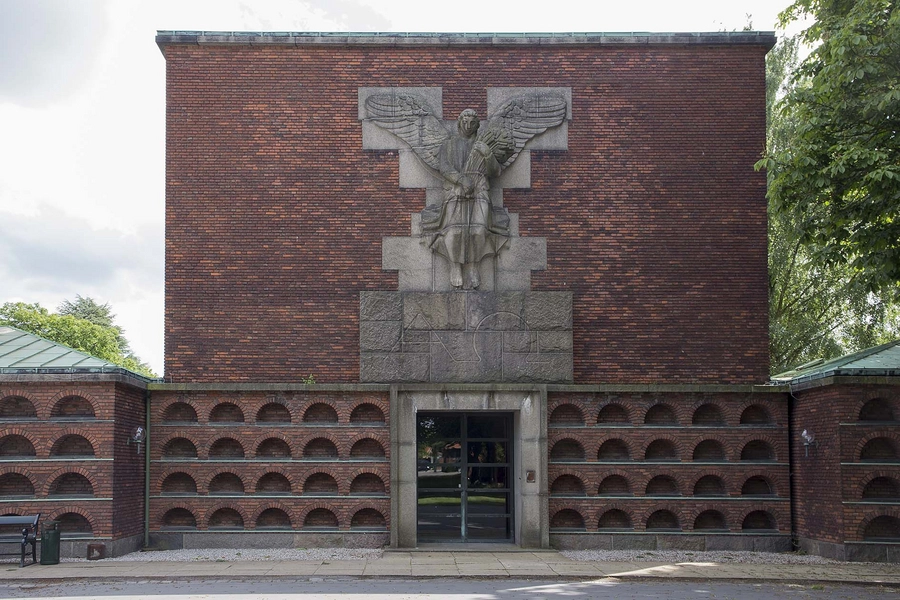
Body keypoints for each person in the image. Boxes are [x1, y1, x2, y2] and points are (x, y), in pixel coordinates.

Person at [420, 109, 515, 289]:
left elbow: (496, 172)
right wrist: (461, 180)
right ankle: (455, 266)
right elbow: (444, 167)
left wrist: (487, 154)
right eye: (465, 120)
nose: (468, 125)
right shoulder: (449, 144)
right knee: (454, 232)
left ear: (477, 124)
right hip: (455, 190)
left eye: (472, 122)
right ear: (459, 122)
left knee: (478, 232)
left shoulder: (484, 145)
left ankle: (473, 266)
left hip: (480, 189)